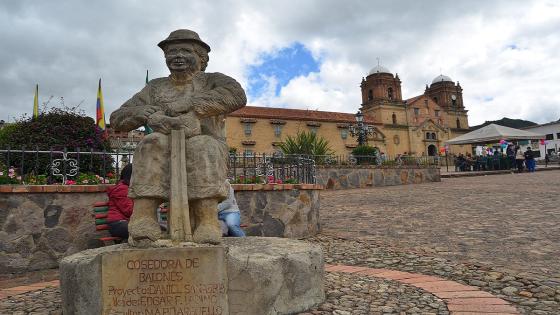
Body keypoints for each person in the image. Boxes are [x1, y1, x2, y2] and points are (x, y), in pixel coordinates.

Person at [110, 29, 246, 244]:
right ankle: (144, 217)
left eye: (185, 50)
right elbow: (117, 117)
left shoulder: (213, 80)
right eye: (172, 52)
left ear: (201, 57)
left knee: (202, 145)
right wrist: (142, 113)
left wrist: (192, 107)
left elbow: (237, 95)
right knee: (151, 142)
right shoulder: (155, 87)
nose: (177, 56)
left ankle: (207, 220)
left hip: (206, 146)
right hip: (165, 148)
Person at [106, 164, 134, 239]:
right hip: (117, 223)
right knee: (140, 230)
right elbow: (128, 211)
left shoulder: (129, 188)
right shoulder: (122, 189)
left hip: (126, 222)